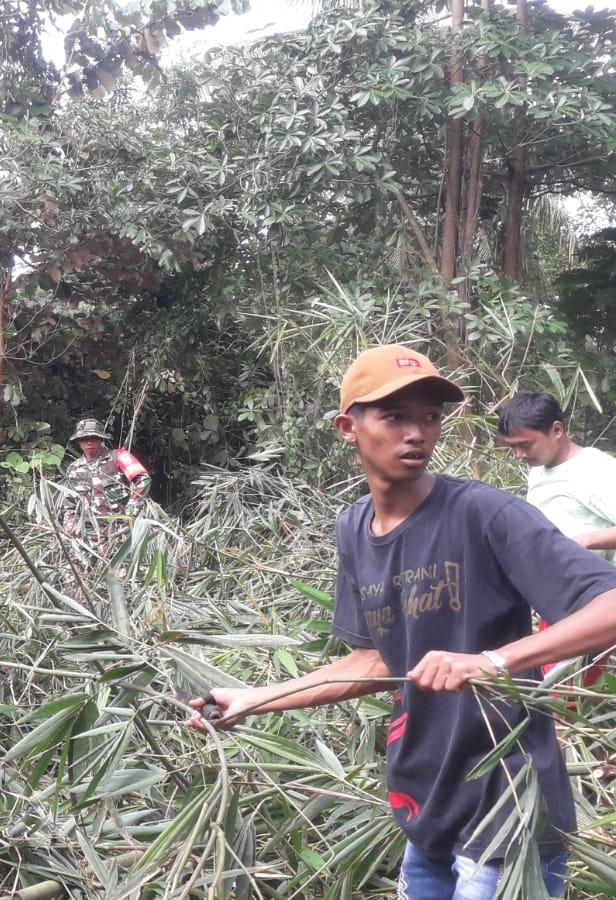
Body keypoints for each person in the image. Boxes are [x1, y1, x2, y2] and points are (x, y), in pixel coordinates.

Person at [186, 345, 616, 899]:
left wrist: (492, 661)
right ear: (349, 427)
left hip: (507, 801)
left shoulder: (485, 512)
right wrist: (256, 698)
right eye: (394, 416)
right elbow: (375, 660)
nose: (416, 432)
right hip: (426, 801)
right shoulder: (353, 527)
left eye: (430, 417)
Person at [496, 391, 616, 560]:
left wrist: (583, 542)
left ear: (557, 430)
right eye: (512, 447)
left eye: (525, 445)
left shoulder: (596, 468)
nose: (519, 455)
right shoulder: (538, 468)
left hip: (592, 582)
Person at [61, 416, 150, 541]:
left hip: (119, 530)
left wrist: (131, 509)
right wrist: (70, 525)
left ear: (101, 439)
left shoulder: (118, 457)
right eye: (84, 439)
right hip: (87, 534)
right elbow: (69, 504)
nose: (89, 442)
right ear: (78, 441)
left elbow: (143, 479)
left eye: (93, 438)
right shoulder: (73, 469)